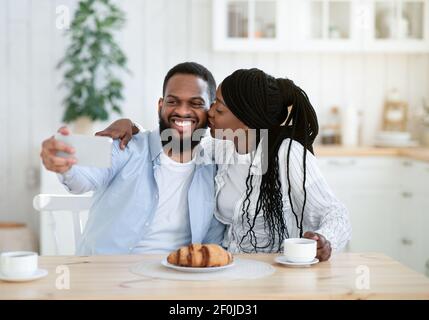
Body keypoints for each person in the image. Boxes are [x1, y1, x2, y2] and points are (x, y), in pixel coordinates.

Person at [100, 68, 351, 260]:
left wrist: (325, 240)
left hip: (279, 277)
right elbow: (172, 143)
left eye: (219, 110)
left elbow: (335, 214)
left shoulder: (287, 154)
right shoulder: (220, 148)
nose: (209, 113)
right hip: (231, 271)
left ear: (246, 120)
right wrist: (133, 127)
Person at [40, 62, 224, 255]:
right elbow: (82, 180)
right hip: (109, 274)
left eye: (195, 103)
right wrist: (64, 165)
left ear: (210, 111)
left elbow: (214, 241)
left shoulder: (215, 167)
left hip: (177, 275)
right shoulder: (126, 146)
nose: (182, 111)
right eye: (173, 102)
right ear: (161, 106)